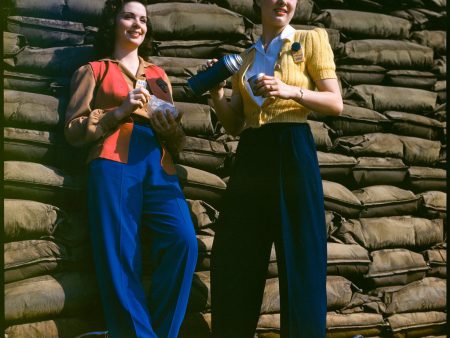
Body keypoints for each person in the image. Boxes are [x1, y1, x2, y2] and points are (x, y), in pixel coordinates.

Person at [206, 0, 343, 337]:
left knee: (301, 255)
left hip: (292, 146)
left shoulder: (310, 40)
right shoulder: (247, 58)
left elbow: (335, 102)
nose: (283, 1)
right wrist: (216, 92)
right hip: (252, 153)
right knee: (236, 252)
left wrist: (290, 90)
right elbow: (235, 125)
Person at [64, 1, 198, 337]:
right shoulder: (93, 70)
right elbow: (73, 129)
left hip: (158, 162)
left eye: (143, 19)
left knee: (184, 242)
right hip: (112, 161)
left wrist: (170, 125)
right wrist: (119, 111)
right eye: (128, 16)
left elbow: (177, 133)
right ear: (114, 22)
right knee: (120, 256)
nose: (137, 24)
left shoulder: (157, 74)